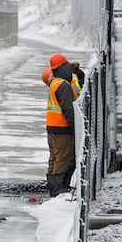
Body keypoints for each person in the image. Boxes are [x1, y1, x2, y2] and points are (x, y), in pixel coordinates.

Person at [45, 53, 79, 196]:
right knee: (63, 158)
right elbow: (69, 110)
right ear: (62, 68)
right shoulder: (63, 85)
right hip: (62, 129)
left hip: (52, 128)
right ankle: (58, 190)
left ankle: (54, 188)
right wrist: (76, 128)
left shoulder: (55, 83)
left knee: (55, 158)